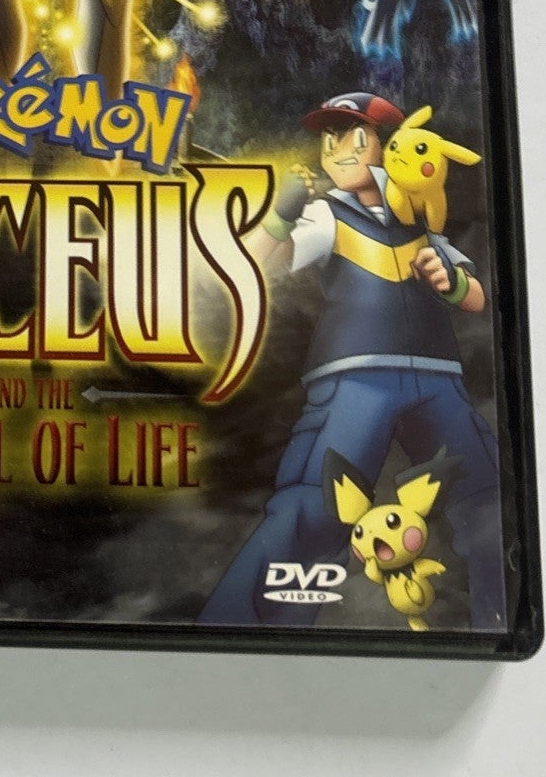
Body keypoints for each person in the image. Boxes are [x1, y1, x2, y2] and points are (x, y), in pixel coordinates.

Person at [198, 91, 506, 631]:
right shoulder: (328, 214)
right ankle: (239, 630)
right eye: (330, 139)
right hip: (356, 378)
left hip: (438, 378)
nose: (338, 150)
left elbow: (476, 298)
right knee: (315, 507)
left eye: (354, 138)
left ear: (388, 146)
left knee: (486, 500)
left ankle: (496, 617)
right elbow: (256, 264)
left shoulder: (422, 219)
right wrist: (281, 214)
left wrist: (452, 283)